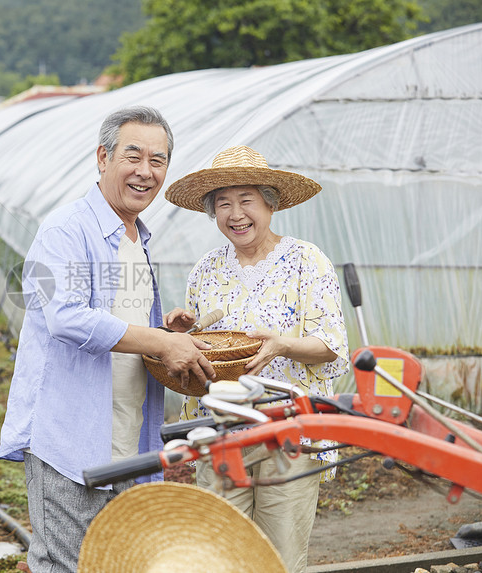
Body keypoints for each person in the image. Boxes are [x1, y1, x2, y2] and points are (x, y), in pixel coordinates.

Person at [0, 106, 216, 573]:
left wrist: (165, 334)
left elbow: (124, 324)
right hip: (71, 435)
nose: (145, 172)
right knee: (66, 563)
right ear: (103, 157)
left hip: (127, 432)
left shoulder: (138, 238)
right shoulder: (66, 230)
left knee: (114, 559)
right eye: (132, 156)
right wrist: (159, 344)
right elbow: (66, 317)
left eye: (158, 161)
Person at [163, 145, 350, 573]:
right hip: (221, 432)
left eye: (246, 200)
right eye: (223, 203)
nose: (235, 214)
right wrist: (184, 332)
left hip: (289, 431)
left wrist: (283, 344)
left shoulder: (307, 262)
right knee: (218, 555)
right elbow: (202, 349)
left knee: (278, 557)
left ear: (270, 202)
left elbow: (331, 345)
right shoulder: (207, 269)